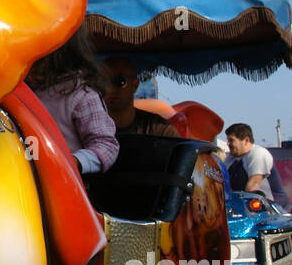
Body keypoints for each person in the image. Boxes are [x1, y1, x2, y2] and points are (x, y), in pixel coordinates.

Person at [26, 31, 119, 176]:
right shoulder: (27, 93)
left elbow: (106, 146)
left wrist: (73, 161)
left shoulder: (80, 93)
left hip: (66, 184)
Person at [97, 57, 178, 137]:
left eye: (119, 81)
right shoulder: (90, 127)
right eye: (104, 82)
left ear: (135, 86)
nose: (111, 89)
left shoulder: (160, 130)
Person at [224, 123, 277, 202]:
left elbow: (253, 187)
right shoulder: (230, 159)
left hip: (272, 209)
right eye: (227, 140)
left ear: (246, 140)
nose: (228, 144)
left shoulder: (258, 153)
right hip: (245, 208)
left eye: (231, 140)